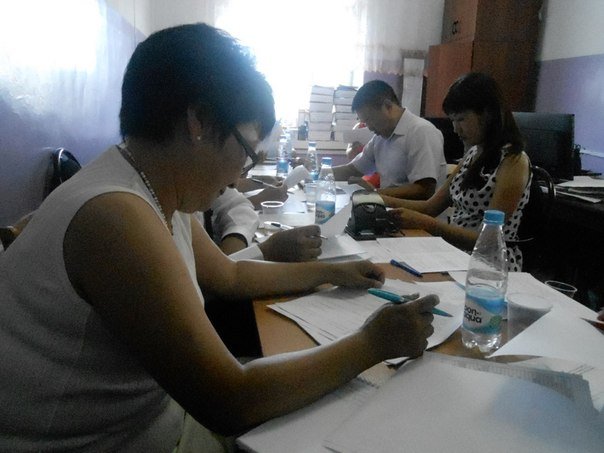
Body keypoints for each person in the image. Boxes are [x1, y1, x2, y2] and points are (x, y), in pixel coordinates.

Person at [0, 23, 437, 451]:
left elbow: (229, 275)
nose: (238, 176)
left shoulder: (151, 188)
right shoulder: (116, 216)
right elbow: (231, 400)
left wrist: (333, 272)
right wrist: (373, 342)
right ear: (200, 121)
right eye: (247, 153)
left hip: (154, 419)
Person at [383, 72, 532, 272]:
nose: (455, 129)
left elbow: (488, 239)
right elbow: (430, 207)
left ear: (487, 114)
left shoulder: (514, 161)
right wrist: (379, 199)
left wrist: (427, 224)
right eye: (453, 120)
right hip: (456, 254)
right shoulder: (474, 154)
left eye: (461, 119)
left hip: (489, 265)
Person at [331, 80, 447, 200]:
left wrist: (374, 193)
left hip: (415, 211)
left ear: (388, 106)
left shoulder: (421, 131)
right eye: (365, 122)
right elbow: (352, 170)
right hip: (390, 208)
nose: (369, 127)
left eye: (370, 119)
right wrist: (322, 173)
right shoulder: (380, 138)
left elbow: (425, 190)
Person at [198, 187, 322, 261]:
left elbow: (237, 205)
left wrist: (237, 239)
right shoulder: (187, 211)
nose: (234, 184)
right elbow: (218, 278)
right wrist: (267, 250)